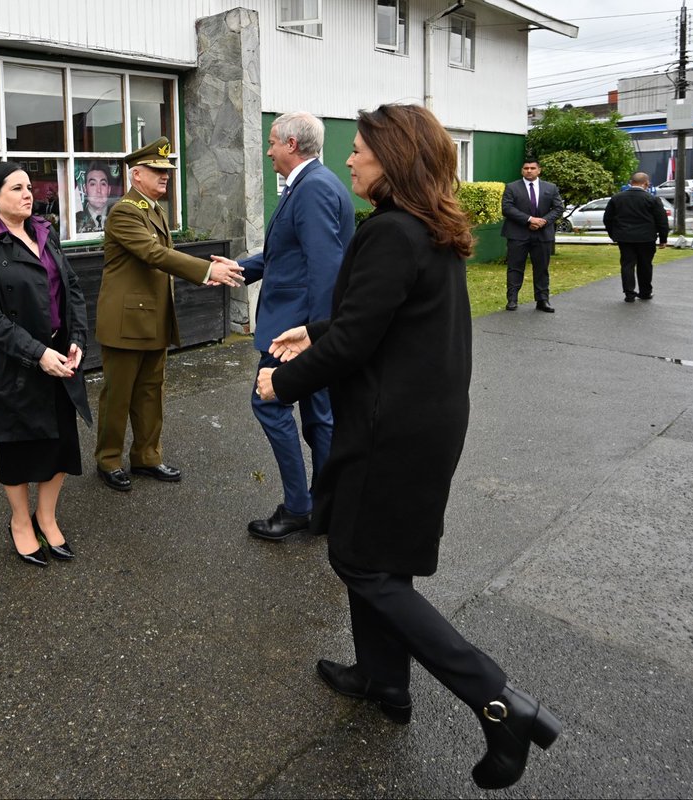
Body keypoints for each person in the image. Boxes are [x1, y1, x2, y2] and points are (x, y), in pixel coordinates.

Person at [256, 104, 561, 791]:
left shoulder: (393, 231)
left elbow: (360, 338)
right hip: (423, 421)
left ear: (391, 161)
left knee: (365, 566)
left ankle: (497, 700)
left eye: (360, 150)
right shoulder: (422, 226)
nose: (350, 159)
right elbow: (375, 311)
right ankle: (382, 681)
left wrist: (284, 381)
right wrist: (317, 329)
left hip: (391, 428)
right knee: (375, 556)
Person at [210, 112, 355, 541]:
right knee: (319, 417)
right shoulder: (316, 184)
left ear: (291, 144)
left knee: (269, 403)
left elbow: (326, 269)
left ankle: (299, 507)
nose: (268, 150)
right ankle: (329, 505)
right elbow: (288, 255)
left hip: (293, 333)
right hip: (306, 327)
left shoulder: (312, 190)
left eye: (272, 143)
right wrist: (241, 267)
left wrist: (313, 337)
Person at [0, 162, 93, 567]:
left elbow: (71, 289)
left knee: (61, 447)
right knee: (18, 451)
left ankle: (47, 517)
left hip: (60, 358)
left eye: (29, 187)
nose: (27, 193)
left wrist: (76, 340)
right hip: (15, 365)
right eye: (16, 188)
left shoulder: (45, 232)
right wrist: (37, 354)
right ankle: (21, 521)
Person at [94, 136, 243, 492]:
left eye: (167, 172)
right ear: (136, 176)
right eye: (157, 171)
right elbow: (153, 254)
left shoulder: (153, 208)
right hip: (126, 322)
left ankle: (146, 456)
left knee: (150, 391)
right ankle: (108, 460)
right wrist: (206, 271)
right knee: (119, 395)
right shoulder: (126, 211)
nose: (165, 177)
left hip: (151, 317)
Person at [501, 158, 563, 312]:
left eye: (532, 168)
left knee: (542, 268)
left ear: (539, 170)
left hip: (543, 234)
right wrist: (529, 220)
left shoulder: (551, 187)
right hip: (517, 234)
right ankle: (512, 300)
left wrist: (543, 221)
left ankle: (542, 300)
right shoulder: (512, 187)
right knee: (515, 268)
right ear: (522, 170)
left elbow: (558, 208)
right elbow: (507, 208)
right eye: (526, 168)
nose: (529, 170)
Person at [603, 172, 669, 302]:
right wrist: (663, 239)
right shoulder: (653, 199)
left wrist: (614, 235)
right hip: (647, 238)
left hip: (625, 237)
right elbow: (662, 221)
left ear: (631, 182)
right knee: (645, 265)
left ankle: (629, 293)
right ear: (645, 183)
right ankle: (645, 292)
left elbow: (607, 219)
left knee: (627, 265)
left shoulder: (617, 198)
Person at [76, 161, 117, 233]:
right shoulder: (74, 221)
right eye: (93, 184)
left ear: (109, 190)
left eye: (103, 184)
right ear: (85, 189)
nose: (98, 190)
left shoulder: (118, 217)